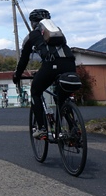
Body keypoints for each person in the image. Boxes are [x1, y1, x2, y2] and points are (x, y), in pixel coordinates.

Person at [12, 8, 76, 139]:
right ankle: (74, 128)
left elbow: (24, 60)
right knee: (62, 97)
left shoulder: (32, 36)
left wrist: (17, 76)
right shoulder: (58, 32)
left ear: (32, 23)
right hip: (70, 63)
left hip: (51, 65)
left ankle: (42, 128)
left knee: (35, 91)